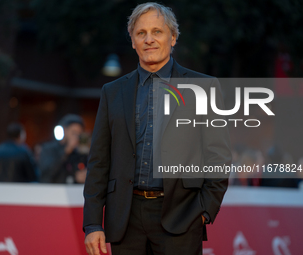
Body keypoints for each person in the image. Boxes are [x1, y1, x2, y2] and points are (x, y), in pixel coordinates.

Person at [83, 3, 231, 255]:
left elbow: (218, 156)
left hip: (181, 217)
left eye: (157, 32)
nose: (149, 39)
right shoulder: (112, 92)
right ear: (132, 41)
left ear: (173, 38)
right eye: (141, 33)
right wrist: (93, 223)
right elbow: (98, 161)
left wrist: (204, 211)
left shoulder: (204, 87)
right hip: (124, 219)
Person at [39, 114, 88, 184]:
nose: (76, 137)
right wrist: (66, 151)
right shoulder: (48, 149)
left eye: (79, 134)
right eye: (74, 133)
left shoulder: (78, 153)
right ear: (65, 130)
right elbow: (46, 174)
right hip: (50, 192)